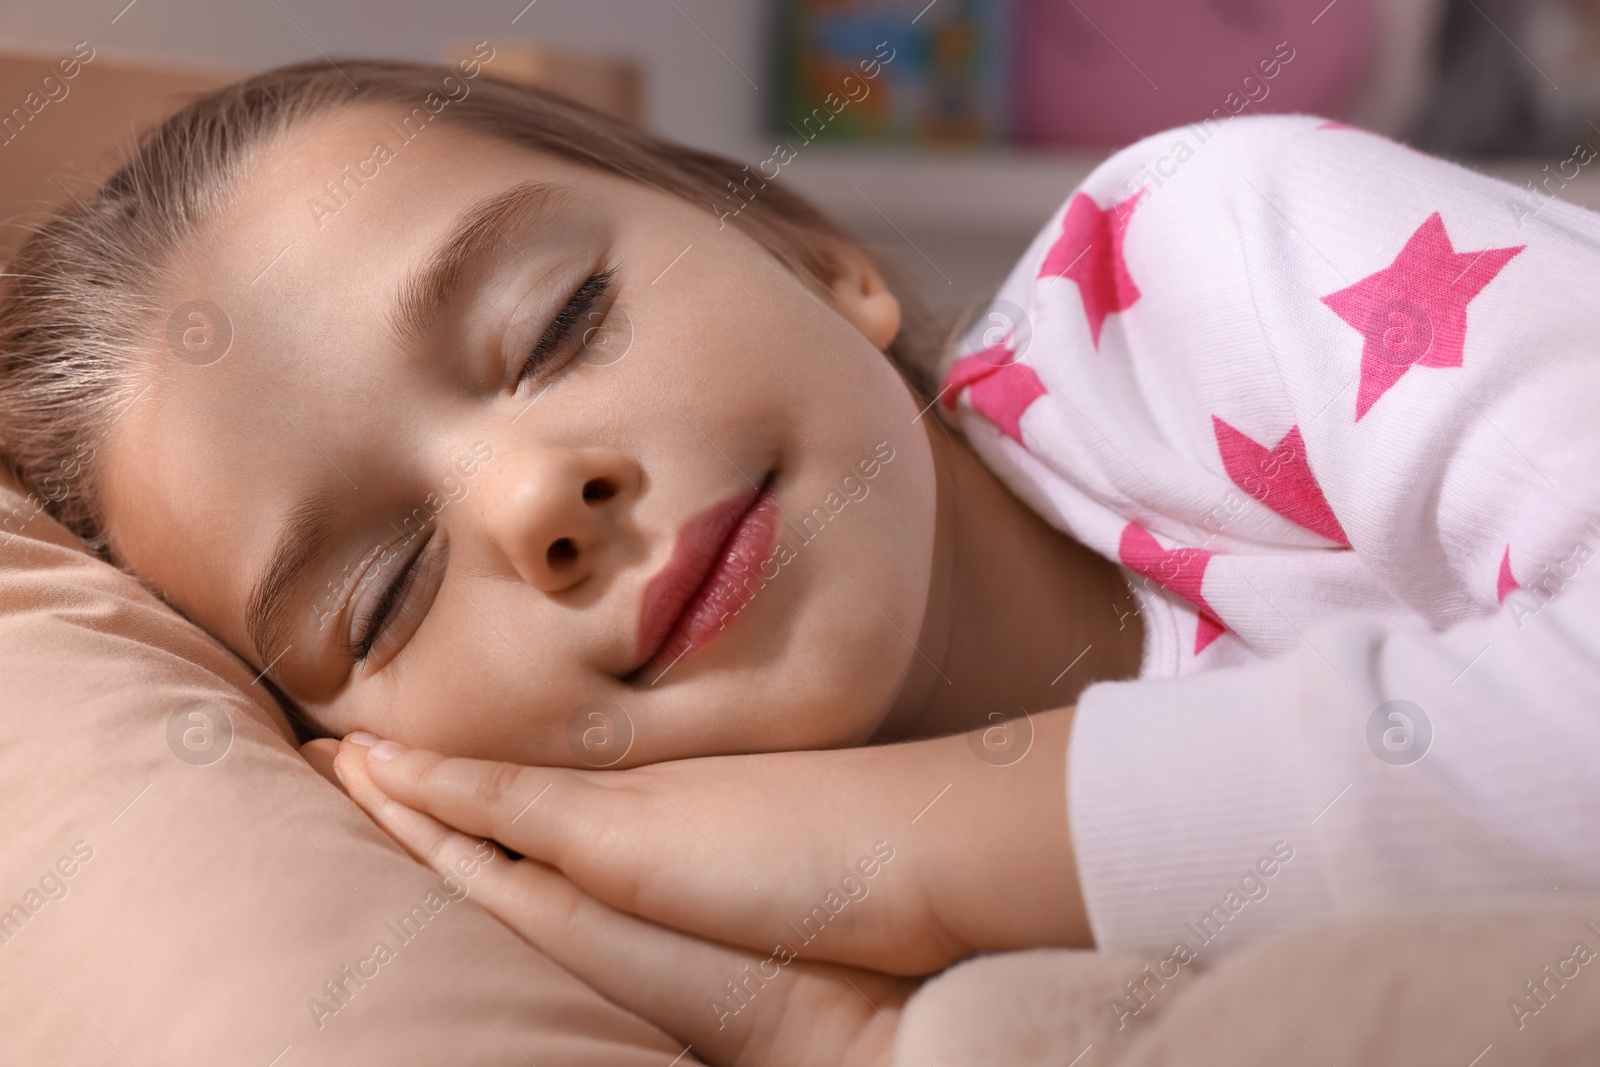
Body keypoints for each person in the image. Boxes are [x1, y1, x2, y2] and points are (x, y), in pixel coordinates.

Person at [1, 57, 1596, 1066]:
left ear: (819, 264)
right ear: (380, 769)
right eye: (386, 594)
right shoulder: (663, 968)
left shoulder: (1201, 276)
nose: (534, 502)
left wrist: (918, 838)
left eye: (559, 324)